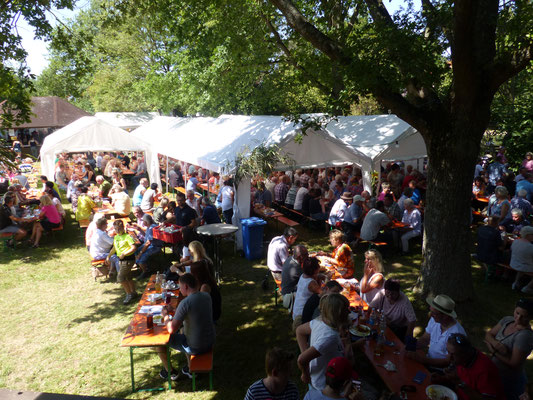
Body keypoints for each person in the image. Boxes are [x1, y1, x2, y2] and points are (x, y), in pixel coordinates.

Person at [157, 273, 216, 381]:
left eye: (180, 287)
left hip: (196, 347)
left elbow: (171, 329)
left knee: (160, 341)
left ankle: (169, 371)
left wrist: (165, 315)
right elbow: (194, 311)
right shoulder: (206, 296)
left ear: (185, 286)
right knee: (183, 330)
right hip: (210, 342)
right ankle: (189, 367)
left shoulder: (185, 303)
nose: (179, 290)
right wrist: (175, 311)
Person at [296, 294, 350, 392]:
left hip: (322, 377)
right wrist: (305, 374)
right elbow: (302, 359)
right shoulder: (330, 337)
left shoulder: (321, 321)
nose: (349, 312)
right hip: (323, 385)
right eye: (346, 309)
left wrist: (306, 353)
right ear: (338, 313)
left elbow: (299, 330)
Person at [431, 333, 505, 400]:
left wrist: (459, 382)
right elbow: (462, 377)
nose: (449, 357)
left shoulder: (485, 370)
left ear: (465, 354)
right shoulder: (462, 359)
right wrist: (442, 378)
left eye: (453, 354)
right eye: (448, 352)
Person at [485, 298, 533, 400]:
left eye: (524, 316)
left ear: (530, 317)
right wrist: (496, 344)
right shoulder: (507, 320)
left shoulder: (524, 336)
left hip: (508, 380)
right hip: (495, 373)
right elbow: (489, 334)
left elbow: (514, 363)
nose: (518, 318)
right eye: (517, 313)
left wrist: (493, 351)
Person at [407, 294, 466, 368]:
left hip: (442, 371)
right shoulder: (435, 320)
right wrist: (409, 346)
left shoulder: (456, 333)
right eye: (430, 311)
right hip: (429, 362)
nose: (430, 315)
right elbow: (425, 339)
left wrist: (423, 360)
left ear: (445, 316)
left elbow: (448, 361)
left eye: (434, 313)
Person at [107, 219, 137, 304]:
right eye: (116, 229)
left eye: (119, 228)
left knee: (120, 278)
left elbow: (133, 248)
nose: (118, 230)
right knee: (128, 276)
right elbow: (114, 248)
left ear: (123, 228)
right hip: (121, 260)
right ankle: (133, 292)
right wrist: (108, 256)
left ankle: (129, 294)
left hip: (128, 260)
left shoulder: (127, 236)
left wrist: (124, 253)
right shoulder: (116, 237)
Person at [293, 258, 322, 330]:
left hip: (296, 311)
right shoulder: (311, 283)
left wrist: (318, 277)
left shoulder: (303, 275)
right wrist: (326, 280)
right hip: (302, 315)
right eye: (318, 266)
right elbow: (323, 294)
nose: (319, 267)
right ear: (314, 270)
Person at [280, 245, 309, 310]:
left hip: (285, 288)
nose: (308, 256)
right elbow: (309, 279)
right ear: (299, 257)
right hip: (290, 295)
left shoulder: (290, 258)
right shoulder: (296, 268)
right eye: (306, 254)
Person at [135, 214, 163, 279]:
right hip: (150, 245)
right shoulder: (149, 227)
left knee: (140, 257)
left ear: (146, 222)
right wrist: (140, 230)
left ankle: (145, 271)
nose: (142, 222)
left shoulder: (151, 228)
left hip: (154, 246)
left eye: (143, 221)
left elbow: (148, 243)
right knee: (136, 251)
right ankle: (143, 266)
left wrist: (141, 253)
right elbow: (147, 237)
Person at [510, 226, 533, 294]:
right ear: (528, 235)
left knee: (523, 263)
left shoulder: (515, 241)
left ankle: (515, 283)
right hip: (525, 267)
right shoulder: (530, 247)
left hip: (513, 264)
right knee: (524, 264)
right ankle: (527, 287)